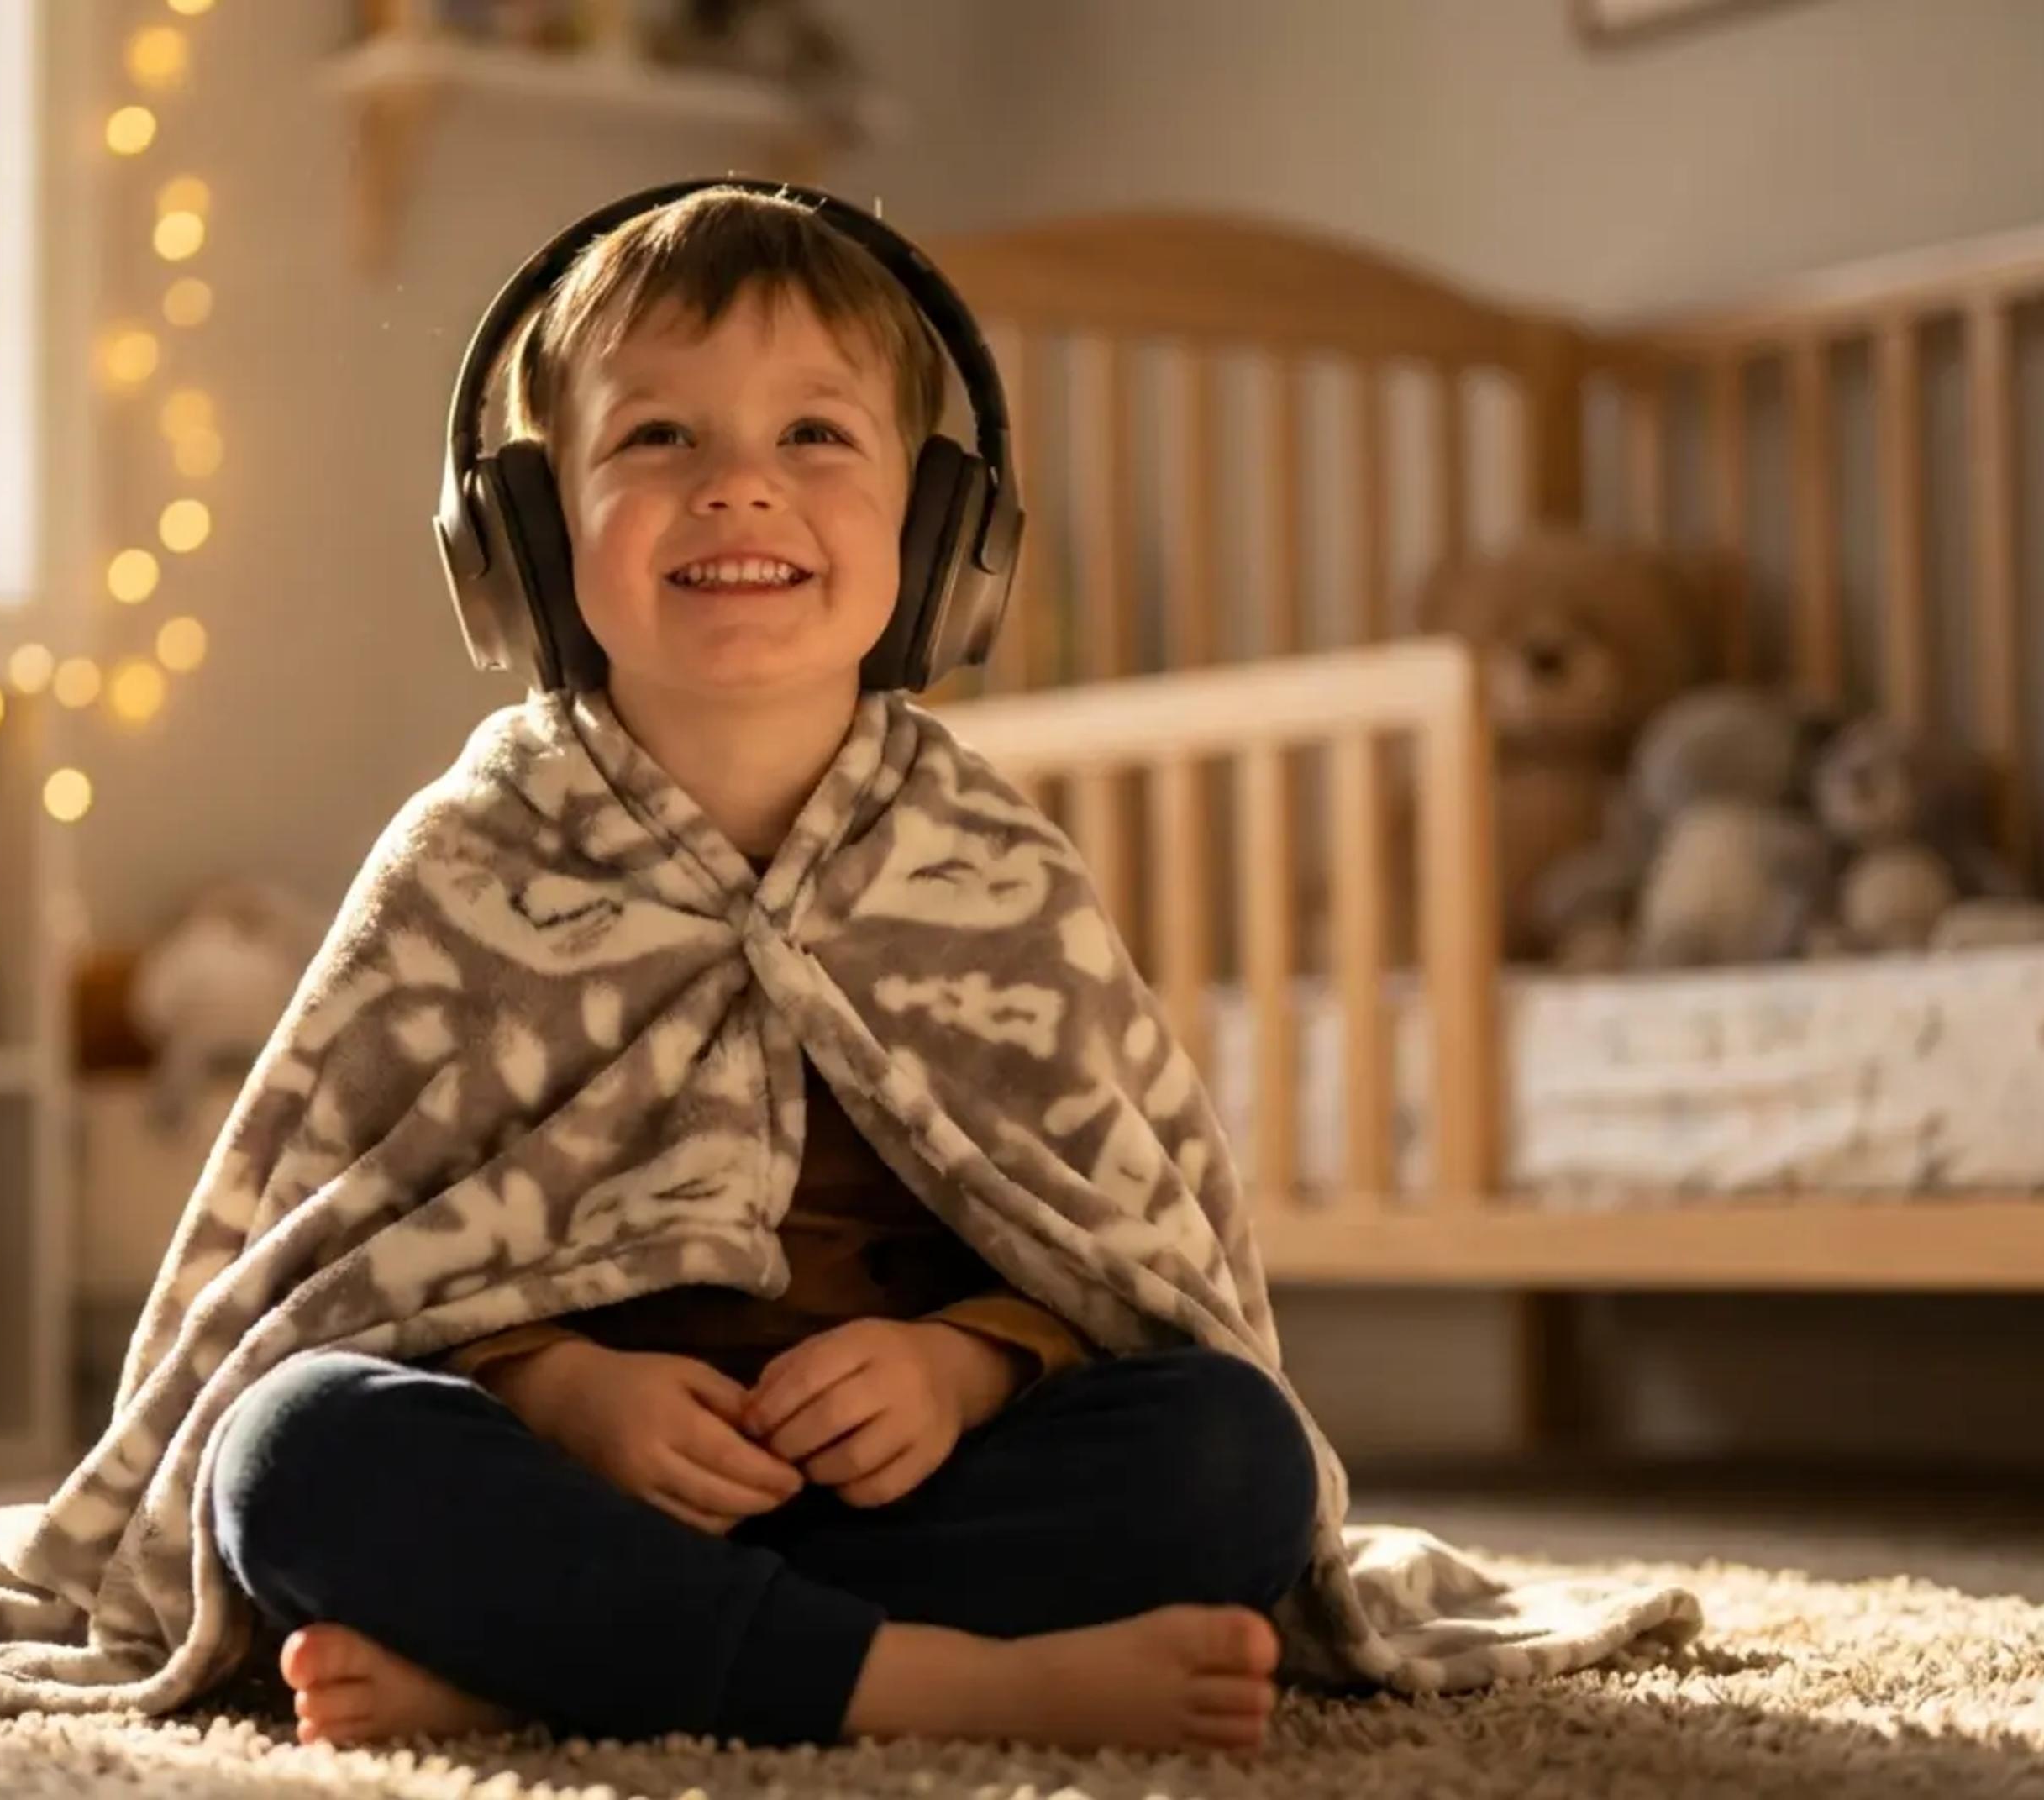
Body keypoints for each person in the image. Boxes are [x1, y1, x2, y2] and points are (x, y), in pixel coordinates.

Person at [202, 184, 1322, 1757]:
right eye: (657, 438)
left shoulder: (991, 865)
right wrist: (556, 1392)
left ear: (938, 539)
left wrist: (964, 1368)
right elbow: (346, 1262)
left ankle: (558, 1669)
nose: (740, 488)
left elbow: (1121, 1249)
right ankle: (949, 1687)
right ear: (529, 539)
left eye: (816, 437)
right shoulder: (469, 860)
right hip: (577, 1481)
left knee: (1232, 1454)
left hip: (912, 1487)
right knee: (289, 1452)